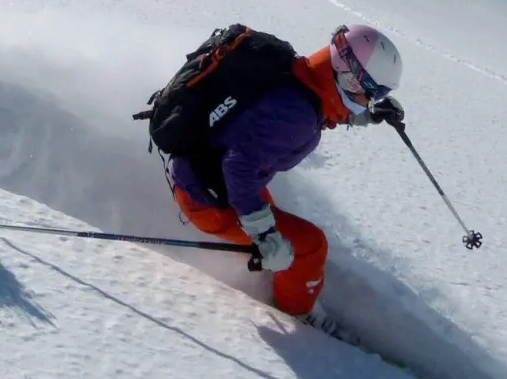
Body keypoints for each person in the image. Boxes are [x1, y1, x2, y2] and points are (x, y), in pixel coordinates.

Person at [158, 24, 404, 333]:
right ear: (351, 77)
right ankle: (298, 314)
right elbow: (240, 168)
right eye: (371, 92)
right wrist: (263, 234)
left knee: (278, 228)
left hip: (210, 172)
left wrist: (368, 114)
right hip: (208, 197)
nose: (369, 99)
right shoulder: (297, 115)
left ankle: (272, 261)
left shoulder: (304, 76)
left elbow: (319, 106)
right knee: (311, 246)